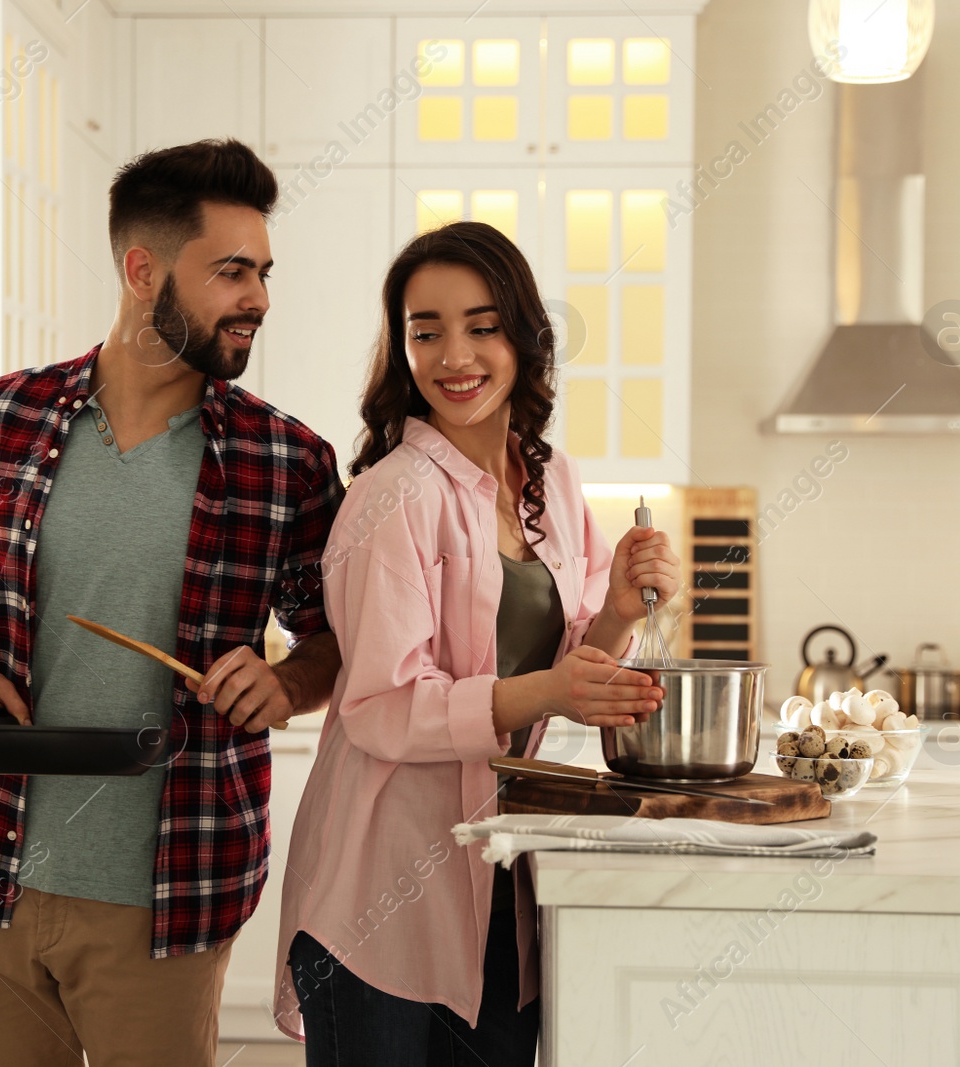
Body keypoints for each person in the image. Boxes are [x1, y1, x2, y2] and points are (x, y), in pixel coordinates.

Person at [0, 138, 343, 1067]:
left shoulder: (287, 460)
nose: (258, 297)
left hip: (170, 896)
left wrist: (285, 684)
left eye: (262, 272)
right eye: (231, 272)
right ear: (144, 271)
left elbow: (333, 638)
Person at [272, 221, 682, 1065]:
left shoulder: (551, 480)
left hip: (498, 873)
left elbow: (564, 654)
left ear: (525, 339)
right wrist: (555, 692)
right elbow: (384, 705)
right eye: (427, 331)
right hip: (379, 889)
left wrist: (616, 611)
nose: (454, 355)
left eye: (482, 326)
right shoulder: (392, 498)